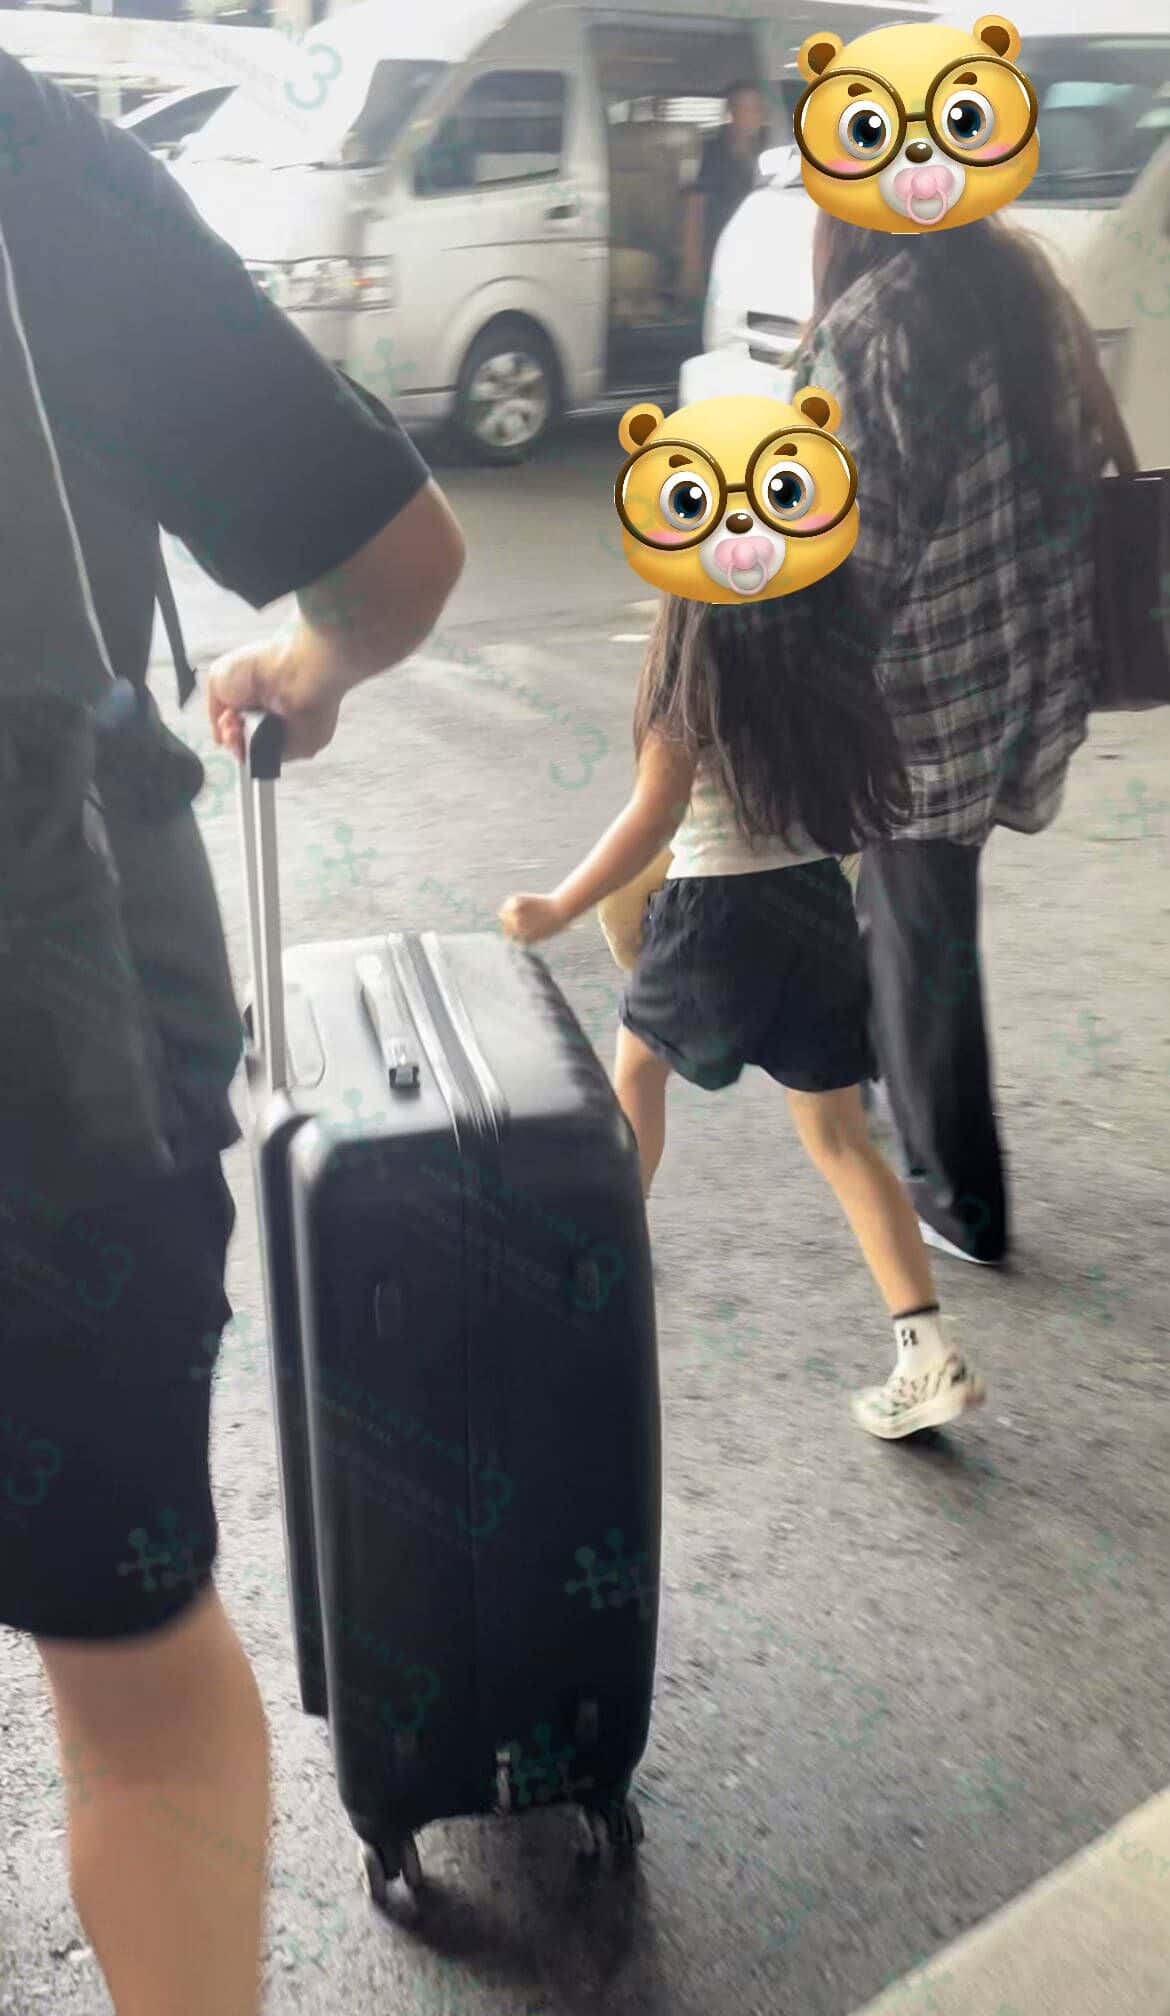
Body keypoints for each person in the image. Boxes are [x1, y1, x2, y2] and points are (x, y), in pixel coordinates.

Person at [0, 46, 463, 2016]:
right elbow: (394, 560)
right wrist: (309, 661)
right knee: (140, 1703)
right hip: (53, 1074)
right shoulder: (31, 168)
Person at [498, 575, 987, 1439]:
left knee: (637, 1076)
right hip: (819, 913)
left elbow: (653, 817)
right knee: (841, 1140)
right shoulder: (830, 666)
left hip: (716, 914)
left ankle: (604, 1260)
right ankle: (926, 1349)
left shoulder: (693, 674)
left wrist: (560, 905)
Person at [791, 210, 1112, 1267]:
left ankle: (960, 1198)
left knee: (920, 918)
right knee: (905, 899)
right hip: (1027, 649)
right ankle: (878, 1078)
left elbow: (854, 545)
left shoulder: (875, 326)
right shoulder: (1018, 285)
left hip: (922, 681)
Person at [680, 82, 769, 306]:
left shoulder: (769, 149)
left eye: (756, 109)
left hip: (757, 251)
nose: (752, 117)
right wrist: (692, 264)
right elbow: (695, 207)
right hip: (719, 249)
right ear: (731, 113)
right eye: (744, 109)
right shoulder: (711, 152)